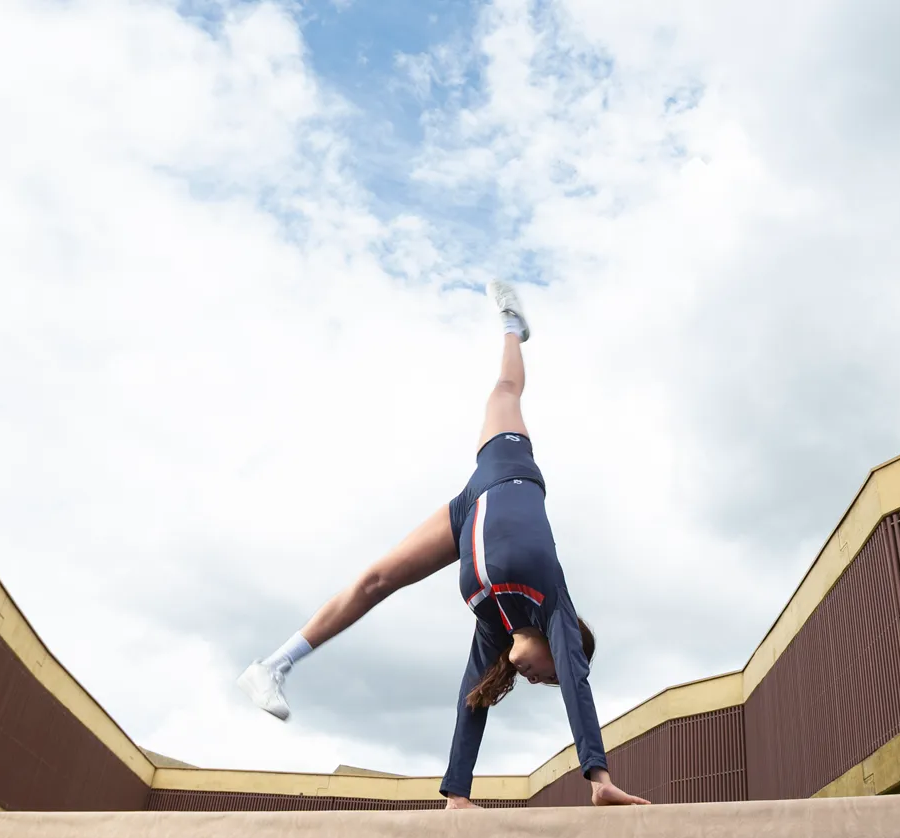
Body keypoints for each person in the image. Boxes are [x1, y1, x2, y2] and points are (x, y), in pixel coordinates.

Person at [237, 281, 648, 809]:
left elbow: (472, 699)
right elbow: (578, 686)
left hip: (466, 516)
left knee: (374, 581)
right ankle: (511, 326)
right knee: (504, 390)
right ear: (563, 650)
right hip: (508, 476)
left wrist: (457, 794)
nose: (535, 677)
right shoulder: (555, 611)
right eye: (548, 673)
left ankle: (272, 666)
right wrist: (599, 778)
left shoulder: (493, 627)